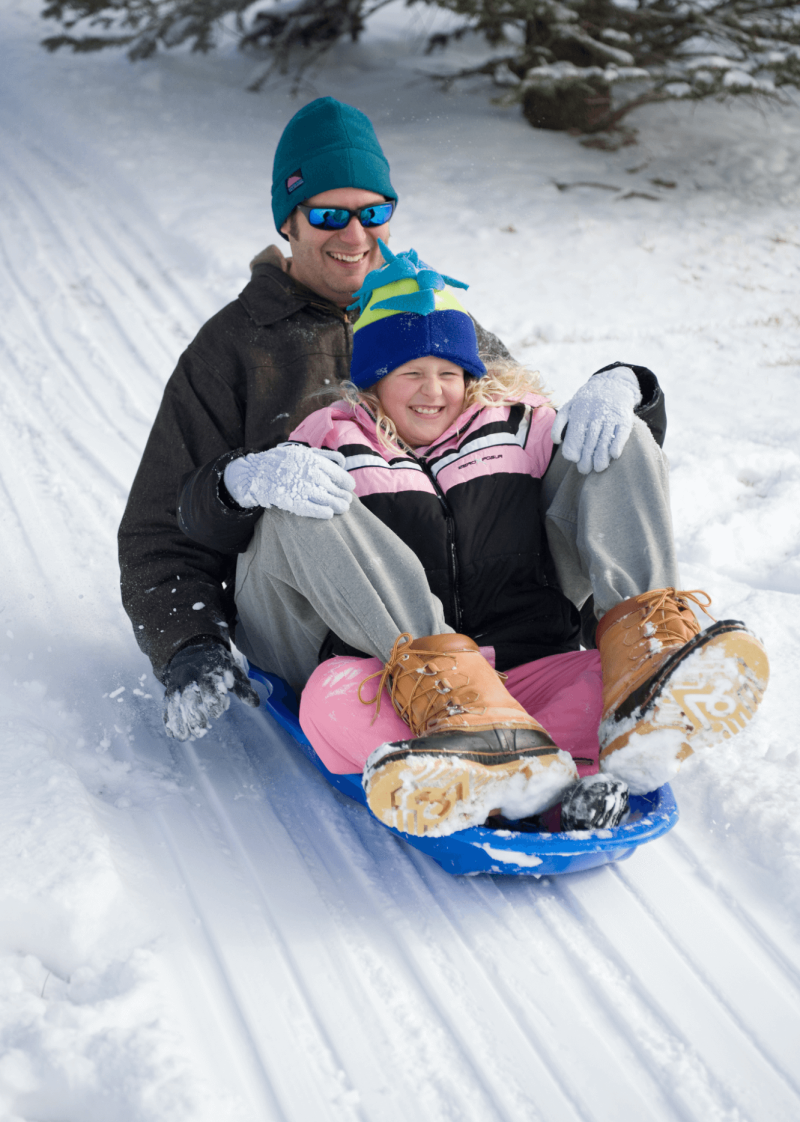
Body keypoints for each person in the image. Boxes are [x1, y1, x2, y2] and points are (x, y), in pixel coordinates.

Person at [176, 244, 769, 838]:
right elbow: (204, 521)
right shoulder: (332, 442)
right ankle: (517, 767)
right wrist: (239, 479)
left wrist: (626, 388)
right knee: (329, 699)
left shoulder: (515, 426)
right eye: (410, 372)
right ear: (375, 381)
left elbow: (613, 480)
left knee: (612, 445)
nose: (432, 391)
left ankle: (642, 668)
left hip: (528, 668)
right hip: (398, 680)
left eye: (449, 373)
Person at [119, 95, 667, 736]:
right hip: (332, 629)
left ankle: (650, 653)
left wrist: (624, 401)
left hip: (494, 611)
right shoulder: (236, 348)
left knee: (604, 436)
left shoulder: (434, 314)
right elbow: (159, 533)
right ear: (287, 223)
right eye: (327, 213)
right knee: (307, 498)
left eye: (372, 213)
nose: (354, 236)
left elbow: (536, 446)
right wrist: (189, 642)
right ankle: (442, 683)